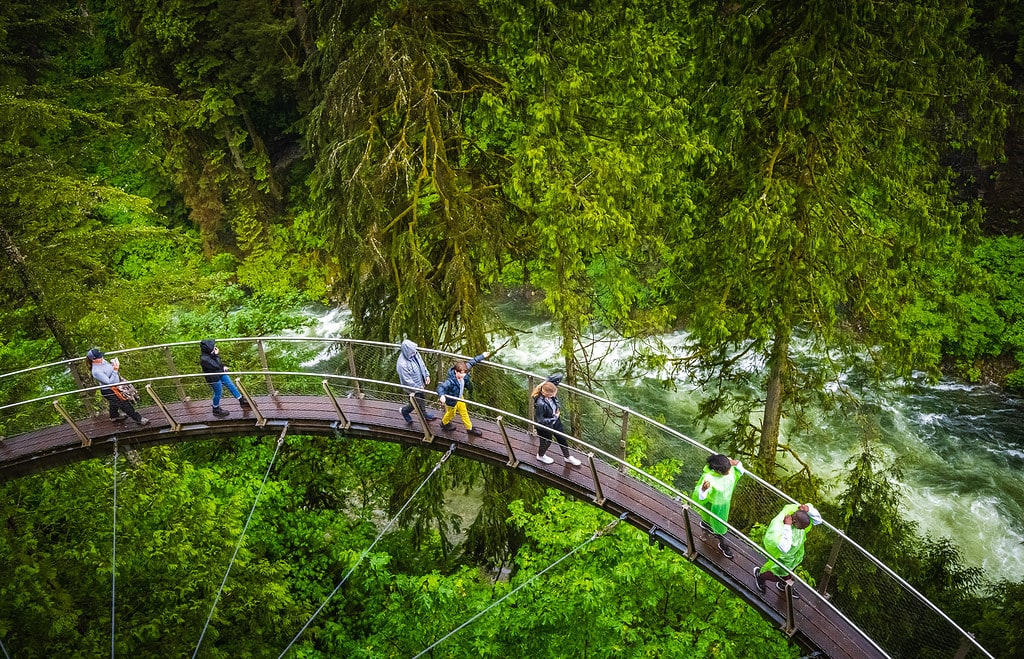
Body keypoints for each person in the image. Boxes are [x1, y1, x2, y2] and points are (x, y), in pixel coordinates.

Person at [754, 502, 823, 599]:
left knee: (788, 572)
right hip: (782, 556)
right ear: (794, 522)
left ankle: (783, 584)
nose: (803, 530)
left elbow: (818, 521)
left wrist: (808, 509)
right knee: (776, 574)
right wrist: (787, 526)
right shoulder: (779, 527)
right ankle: (760, 576)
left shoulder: (798, 511)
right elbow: (784, 547)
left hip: (793, 555)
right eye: (802, 527)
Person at [692, 453, 745, 559]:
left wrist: (734, 462)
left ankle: (705, 524)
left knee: (713, 519)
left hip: (721, 504)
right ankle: (723, 544)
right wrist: (703, 489)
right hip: (717, 505)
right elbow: (701, 496)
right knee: (720, 527)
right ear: (719, 471)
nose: (729, 471)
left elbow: (739, 468)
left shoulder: (729, 471)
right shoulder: (709, 478)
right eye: (727, 470)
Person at [86, 348, 149, 426]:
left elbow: (109, 371)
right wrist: (115, 369)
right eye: (99, 357)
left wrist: (113, 365)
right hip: (110, 390)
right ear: (93, 360)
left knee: (114, 403)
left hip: (119, 385)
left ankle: (114, 416)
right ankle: (139, 419)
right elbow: (109, 383)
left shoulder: (103, 361)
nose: (102, 357)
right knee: (124, 403)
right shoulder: (96, 371)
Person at [436, 351, 490, 436]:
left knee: (464, 412)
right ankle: (444, 423)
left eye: (465, 373)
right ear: (456, 372)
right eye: (461, 374)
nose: (464, 375)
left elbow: (473, 361)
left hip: (460, 397)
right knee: (451, 413)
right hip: (452, 400)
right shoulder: (450, 381)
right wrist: (442, 395)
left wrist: (482, 355)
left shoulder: (464, 370)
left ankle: (469, 428)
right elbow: (440, 387)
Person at [533, 378, 581, 466]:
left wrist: (545, 382)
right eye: (553, 394)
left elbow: (559, 375)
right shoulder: (540, 403)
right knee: (546, 442)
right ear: (547, 394)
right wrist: (554, 417)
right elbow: (540, 420)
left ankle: (567, 457)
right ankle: (540, 456)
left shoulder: (551, 396)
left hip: (556, 423)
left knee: (562, 439)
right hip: (545, 427)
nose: (555, 395)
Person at [199, 339, 250, 417]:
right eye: (213, 346)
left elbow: (219, 364)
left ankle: (241, 400)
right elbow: (215, 366)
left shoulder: (210, 354)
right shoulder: (204, 359)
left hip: (220, 372)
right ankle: (215, 408)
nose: (215, 347)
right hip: (213, 377)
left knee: (230, 384)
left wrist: (222, 366)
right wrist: (216, 355)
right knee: (218, 392)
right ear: (209, 348)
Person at [396, 339, 436, 424]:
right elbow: (406, 380)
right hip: (413, 388)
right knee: (415, 402)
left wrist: (426, 375)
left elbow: (422, 364)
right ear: (408, 351)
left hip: (420, 383)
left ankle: (424, 414)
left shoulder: (415, 353)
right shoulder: (402, 364)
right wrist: (417, 387)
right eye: (412, 351)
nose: (415, 352)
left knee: (422, 398)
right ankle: (404, 411)